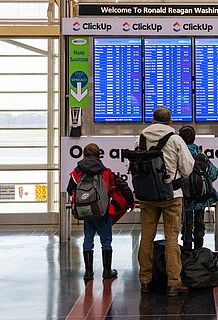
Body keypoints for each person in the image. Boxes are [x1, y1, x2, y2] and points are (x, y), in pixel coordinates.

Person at [136, 106, 195, 297]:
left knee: (146, 238)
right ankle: (173, 283)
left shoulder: (140, 139)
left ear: (152, 121)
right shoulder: (176, 139)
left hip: (147, 197)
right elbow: (187, 168)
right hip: (172, 195)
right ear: (170, 122)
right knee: (171, 239)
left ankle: (145, 281)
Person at [67, 143, 136, 282]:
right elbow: (123, 186)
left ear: (84, 155)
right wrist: (131, 202)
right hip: (103, 211)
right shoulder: (106, 172)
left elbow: (70, 189)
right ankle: (107, 271)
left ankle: (88, 273)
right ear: (99, 155)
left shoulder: (77, 172)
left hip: (85, 211)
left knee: (88, 239)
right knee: (106, 241)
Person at [178, 125, 218, 250]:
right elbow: (214, 173)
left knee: (187, 222)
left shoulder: (180, 153)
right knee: (199, 222)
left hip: (186, 197)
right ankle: (198, 250)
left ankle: (187, 250)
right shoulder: (200, 154)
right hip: (201, 197)